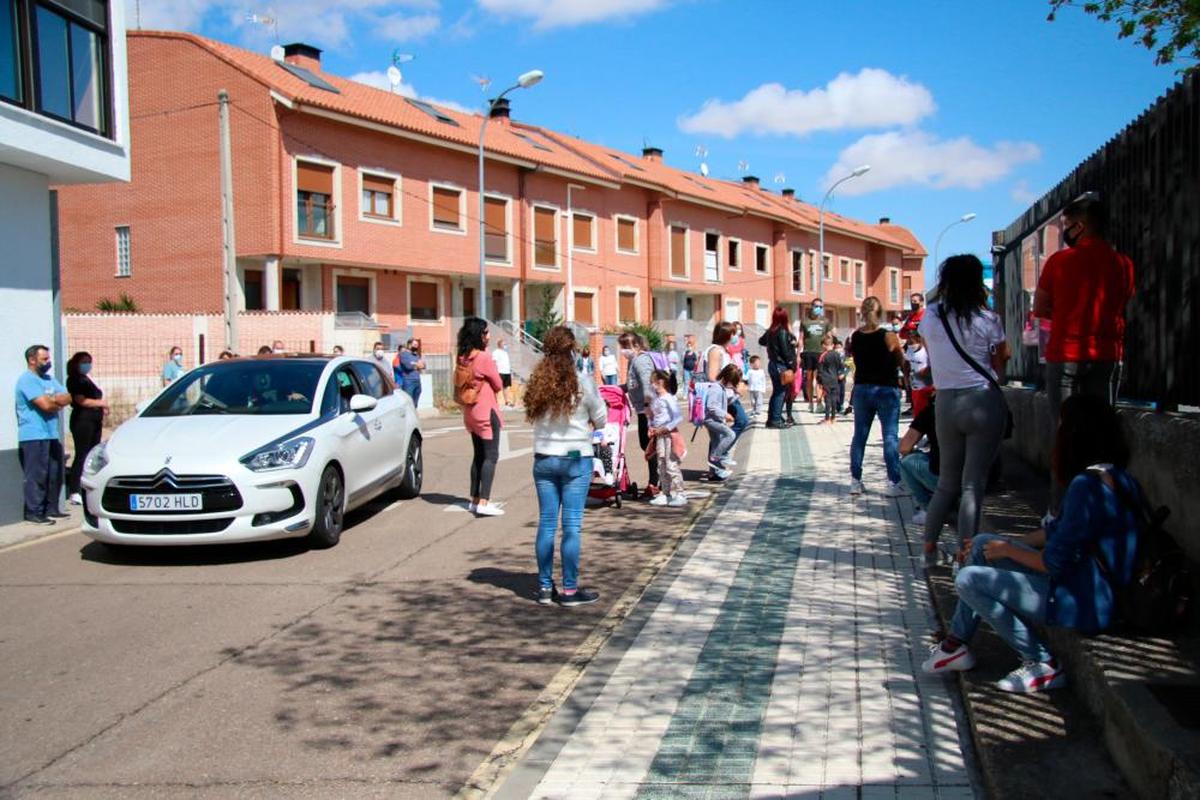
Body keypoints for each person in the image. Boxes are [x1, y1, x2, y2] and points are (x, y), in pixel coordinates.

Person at [921, 395, 1141, 693]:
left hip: (1085, 599)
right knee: (984, 542)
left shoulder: (1085, 487)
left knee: (969, 580)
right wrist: (1000, 543)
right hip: (1089, 585)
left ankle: (1043, 662)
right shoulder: (1116, 477)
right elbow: (1055, 533)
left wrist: (1007, 550)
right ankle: (956, 644)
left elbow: (1051, 562)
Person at [1033, 195, 1135, 519]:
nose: (1065, 231)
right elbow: (1123, 300)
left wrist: (1066, 310)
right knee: (1103, 434)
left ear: (1080, 226)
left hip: (1065, 353)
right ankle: (1103, 510)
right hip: (1107, 354)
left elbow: (1040, 308)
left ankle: (1059, 512)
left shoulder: (1060, 262)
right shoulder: (1123, 264)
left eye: (1066, 226)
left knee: (1064, 435)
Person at [919, 254, 1011, 565]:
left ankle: (929, 551)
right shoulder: (988, 319)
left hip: (945, 403)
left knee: (946, 483)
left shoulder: (930, 317)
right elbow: (1002, 362)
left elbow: (933, 358)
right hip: (982, 400)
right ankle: (965, 558)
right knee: (972, 485)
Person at [525, 326, 607, 606]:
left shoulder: (537, 383)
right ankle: (570, 590)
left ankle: (545, 588)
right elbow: (602, 417)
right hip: (575, 458)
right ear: (572, 350)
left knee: (547, 523)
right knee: (572, 525)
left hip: (544, 458)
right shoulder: (582, 381)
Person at [847, 296, 905, 496]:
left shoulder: (855, 336)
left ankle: (855, 480)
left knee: (859, 435)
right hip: (886, 388)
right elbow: (900, 358)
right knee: (889, 435)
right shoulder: (888, 335)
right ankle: (893, 482)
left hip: (862, 389)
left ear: (862, 313)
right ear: (880, 313)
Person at [16, 345, 71, 524]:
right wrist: (55, 401)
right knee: (36, 475)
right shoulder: (27, 380)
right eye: (44, 359)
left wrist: (53, 400)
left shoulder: (48, 379)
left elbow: (67, 397)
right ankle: (34, 512)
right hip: (33, 435)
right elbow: (45, 406)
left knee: (54, 473)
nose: (48, 362)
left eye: (48, 359)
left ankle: (51, 508)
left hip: (51, 433)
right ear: (32, 360)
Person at [457, 318, 505, 516]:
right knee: (491, 456)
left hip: (470, 411)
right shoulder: (484, 358)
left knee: (478, 455)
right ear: (479, 335)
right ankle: (484, 502)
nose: (489, 336)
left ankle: (474, 498)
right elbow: (498, 384)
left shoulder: (462, 357)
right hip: (486, 410)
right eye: (486, 332)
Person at [619, 331, 659, 497]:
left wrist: (650, 409)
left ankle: (655, 482)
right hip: (644, 410)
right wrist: (618, 389)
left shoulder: (641, 361)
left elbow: (647, 384)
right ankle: (656, 481)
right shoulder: (633, 361)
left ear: (636, 346)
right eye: (622, 347)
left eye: (626, 346)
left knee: (650, 446)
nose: (623, 350)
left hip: (649, 410)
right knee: (648, 446)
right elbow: (632, 384)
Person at [65, 352, 107, 506]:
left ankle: (87, 485)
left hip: (94, 420)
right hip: (83, 421)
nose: (87, 364)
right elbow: (81, 400)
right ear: (76, 363)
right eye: (84, 362)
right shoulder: (75, 380)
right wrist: (101, 404)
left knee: (92, 454)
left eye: (89, 361)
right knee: (82, 454)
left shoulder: (87, 378)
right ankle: (74, 490)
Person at [646, 369, 688, 507]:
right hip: (659, 437)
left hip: (669, 436)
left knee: (671, 464)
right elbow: (653, 417)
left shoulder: (669, 398)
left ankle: (680, 493)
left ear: (660, 383)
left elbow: (678, 417)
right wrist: (650, 427)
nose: (651, 386)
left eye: (653, 383)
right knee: (661, 464)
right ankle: (666, 493)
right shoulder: (656, 400)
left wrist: (666, 427)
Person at [899, 394, 940, 527]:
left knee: (906, 461)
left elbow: (904, 447)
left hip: (946, 478)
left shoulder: (932, 411)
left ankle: (928, 509)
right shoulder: (984, 406)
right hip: (982, 478)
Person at [704, 321, 749, 444]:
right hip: (722, 395)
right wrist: (733, 388)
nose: (735, 337)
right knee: (740, 421)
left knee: (739, 422)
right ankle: (718, 454)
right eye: (732, 334)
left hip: (727, 394)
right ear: (726, 335)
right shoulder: (715, 351)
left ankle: (718, 455)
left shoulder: (723, 351)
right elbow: (713, 377)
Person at [759, 306, 796, 429]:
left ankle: (772, 418)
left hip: (773, 364)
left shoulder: (771, 330)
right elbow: (786, 352)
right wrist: (791, 365)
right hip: (781, 365)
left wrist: (772, 343)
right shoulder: (783, 332)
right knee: (780, 392)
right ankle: (775, 420)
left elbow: (761, 341)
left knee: (776, 392)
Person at [703, 364, 741, 480]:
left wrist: (737, 394)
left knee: (716, 442)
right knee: (730, 434)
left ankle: (716, 471)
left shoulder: (722, 388)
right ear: (728, 379)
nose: (732, 385)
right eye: (733, 382)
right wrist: (725, 414)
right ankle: (717, 457)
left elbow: (725, 402)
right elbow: (711, 407)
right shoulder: (716, 388)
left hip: (715, 419)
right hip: (711, 420)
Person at [801, 300, 831, 413]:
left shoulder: (825, 321)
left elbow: (829, 336)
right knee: (809, 379)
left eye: (820, 306)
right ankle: (810, 403)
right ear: (812, 306)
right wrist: (799, 353)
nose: (818, 308)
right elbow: (801, 338)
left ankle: (819, 402)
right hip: (808, 352)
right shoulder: (805, 321)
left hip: (820, 353)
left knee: (819, 379)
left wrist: (831, 348)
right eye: (816, 306)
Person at [905, 331, 934, 419]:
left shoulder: (927, 351)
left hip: (928, 385)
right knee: (918, 415)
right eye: (908, 341)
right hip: (916, 387)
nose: (910, 343)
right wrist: (906, 378)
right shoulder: (909, 350)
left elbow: (934, 365)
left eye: (912, 341)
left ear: (919, 340)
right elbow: (907, 364)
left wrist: (924, 372)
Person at [817, 334, 844, 425]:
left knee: (827, 399)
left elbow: (820, 369)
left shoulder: (823, 356)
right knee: (834, 398)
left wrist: (819, 381)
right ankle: (833, 418)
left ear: (823, 345)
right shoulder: (837, 354)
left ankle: (827, 418)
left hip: (826, 379)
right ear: (832, 345)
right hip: (835, 379)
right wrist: (840, 374)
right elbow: (841, 366)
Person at [394, 338, 425, 407]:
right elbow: (408, 366)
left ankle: (413, 415)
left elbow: (423, 365)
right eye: (414, 345)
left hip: (417, 381)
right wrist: (417, 365)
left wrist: (414, 364)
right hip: (409, 382)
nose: (416, 346)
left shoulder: (416, 355)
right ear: (409, 345)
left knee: (415, 403)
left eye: (417, 345)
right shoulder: (403, 354)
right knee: (408, 403)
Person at [491, 337, 515, 407]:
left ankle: (507, 401)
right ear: (500, 344)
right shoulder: (496, 352)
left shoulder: (505, 353)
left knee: (506, 387)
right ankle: (494, 402)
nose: (505, 345)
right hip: (500, 372)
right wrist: (494, 372)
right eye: (504, 344)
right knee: (497, 387)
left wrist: (510, 372)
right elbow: (494, 362)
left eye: (505, 344)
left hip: (507, 372)